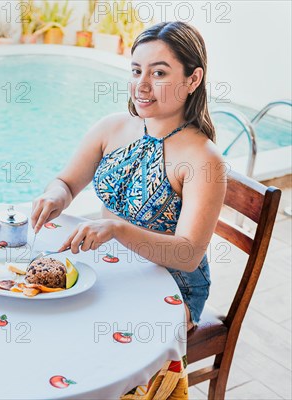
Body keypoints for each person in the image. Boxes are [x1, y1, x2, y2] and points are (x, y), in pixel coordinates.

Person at [30, 21, 227, 331]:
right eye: (136, 71)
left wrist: (117, 230)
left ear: (193, 79)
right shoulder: (112, 127)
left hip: (174, 288)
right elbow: (66, 183)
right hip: (111, 265)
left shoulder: (204, 159)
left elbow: (188, 255)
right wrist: (56, 195)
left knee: (89, 334)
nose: (142, 86)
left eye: (158, 73)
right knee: (40, 309)